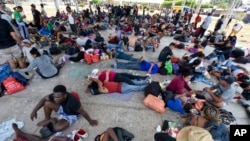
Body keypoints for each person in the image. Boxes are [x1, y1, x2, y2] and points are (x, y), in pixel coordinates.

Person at [30, 85, 98, 131]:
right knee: (47, 103)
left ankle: (52, 120)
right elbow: (44, 99)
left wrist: (90, 120)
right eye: (54, 96)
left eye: (58, 97)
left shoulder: (72, 102)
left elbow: (83, 112)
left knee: (57, 128)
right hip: (63, 108)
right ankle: (47, 118)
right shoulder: (56, 95)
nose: (55, 99)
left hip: (71, 115)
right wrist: (34, 111)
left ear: (65, 95)